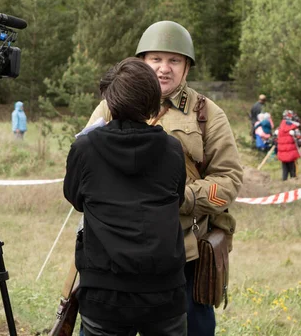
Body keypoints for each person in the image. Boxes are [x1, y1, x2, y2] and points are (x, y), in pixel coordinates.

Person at [87, 21, 243, 336]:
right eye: (156, 59)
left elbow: (228, 181)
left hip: (183, 253)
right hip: (115, 252)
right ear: (141, 62)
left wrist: (182, 200)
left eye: (174, 60)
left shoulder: (207, 114)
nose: (164, 69)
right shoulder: (110, 107)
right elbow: (85, 165)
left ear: (186, 67)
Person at [65, 57, 188, 335]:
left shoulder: (85, 148)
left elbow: (75, 198)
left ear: (110, 101)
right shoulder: (171, 149)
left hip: (103, 292)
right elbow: (177, 198)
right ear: (152, 99)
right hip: (164, 292)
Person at [276, 110, 301, 180]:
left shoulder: (280, 128)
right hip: (292, 153)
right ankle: (293, 180)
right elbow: (300, 140)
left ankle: (284, 180)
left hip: (282, 153)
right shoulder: (294, 128)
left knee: (284, 168)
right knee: (293, 168)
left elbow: (276, 139)